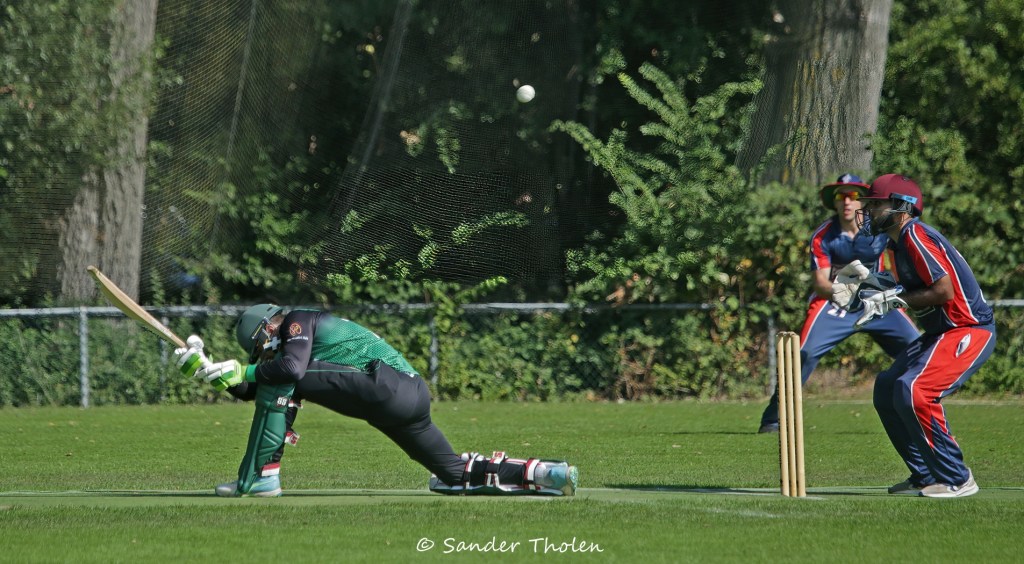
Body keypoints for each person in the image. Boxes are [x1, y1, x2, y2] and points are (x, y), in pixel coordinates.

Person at [173, 304, 579, 497]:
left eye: (260, 347)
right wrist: (208, 371)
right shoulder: (290, 346)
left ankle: (261, 477)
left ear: (268, 328)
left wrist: (243, 372)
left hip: (387, 387)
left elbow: (290, 371)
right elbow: (260, 386)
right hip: (407, 397)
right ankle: (546, 473)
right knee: (452, 474)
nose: (262, 356)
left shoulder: (297, 319)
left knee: (284, 380)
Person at [854, 174, 995, 498]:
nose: (869, 211)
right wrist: (861, 287)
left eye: (876, 203)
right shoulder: (895, 244)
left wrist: (895, 299)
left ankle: (957, 478)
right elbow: (905, 285)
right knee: (887, 387)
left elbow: (943, 291)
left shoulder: (915, 234)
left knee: (915, 389)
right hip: (940, 332)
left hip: (967, 328)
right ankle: (925, 474)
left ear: (901, 206)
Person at [758, 174, 920, 433]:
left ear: (863, 202)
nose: (847, 201)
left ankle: (919, 412)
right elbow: (820, 283)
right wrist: (843, 291)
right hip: (834, 304)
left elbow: (901, 259)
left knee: (919, 349)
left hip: (876, 302)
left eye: (853, 196)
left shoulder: (881, 227)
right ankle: (773, 419)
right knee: (803, 354)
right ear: (834, 202)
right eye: (840, 196)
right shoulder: (823, 235)